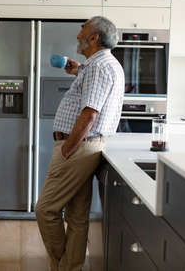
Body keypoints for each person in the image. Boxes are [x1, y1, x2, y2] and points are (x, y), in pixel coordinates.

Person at [35, 16, 124, 271]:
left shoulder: (98, 66)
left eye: (82, 30)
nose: (78, 35)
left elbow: (90, 113)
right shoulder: (100, 64)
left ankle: (63, 264)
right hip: (86, 146)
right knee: (77, 214)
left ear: (94, 37)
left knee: (45, 210)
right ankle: (70, 267)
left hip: (79, 147)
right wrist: (78, 70)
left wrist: (67, 148)